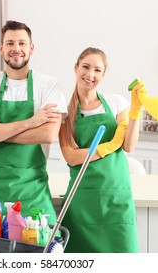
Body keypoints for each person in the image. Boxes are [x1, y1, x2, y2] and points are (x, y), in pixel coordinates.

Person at [0, 20, 68, 245]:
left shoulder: (49, 85)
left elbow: (48, 134)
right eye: (10, 43)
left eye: (22, 43)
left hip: (32, 186)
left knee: (44, 249)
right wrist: (31, 122)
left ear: (31, 48)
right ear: (0, 48)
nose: (16, 48)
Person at [59, 47, 145, 252]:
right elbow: (71, 157)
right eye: (86, 67)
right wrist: (108, 146)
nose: (90, 75)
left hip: (116, 195)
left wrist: (135, 112)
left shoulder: (117, 103)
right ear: (76, 68)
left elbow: (129, 145)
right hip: (82, 199)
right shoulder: (65, 111)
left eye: (97, 70)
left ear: (103, 75)